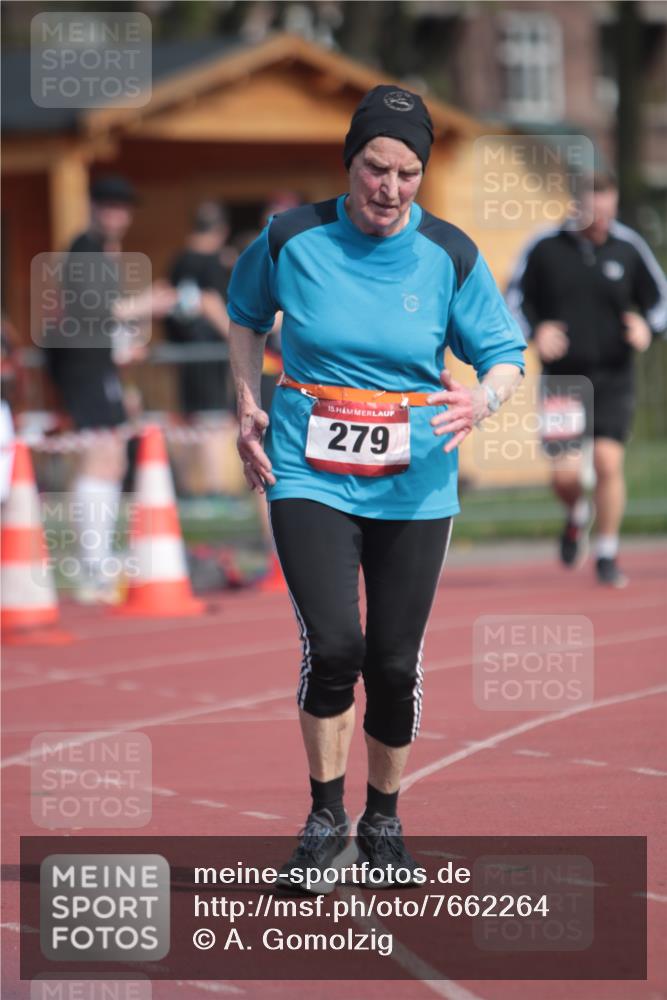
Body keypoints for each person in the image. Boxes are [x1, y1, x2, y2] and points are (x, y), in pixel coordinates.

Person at [227, 85, 525, 891]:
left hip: (414, 482)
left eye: (407, 172)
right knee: (334, 647)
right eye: (374, 168)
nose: (388, 188)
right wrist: (245, 399)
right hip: (307, 471)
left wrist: (484, 396)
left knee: (392, 662)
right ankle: (325, 821)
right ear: (347, 164)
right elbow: (245, 313)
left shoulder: (451, 254)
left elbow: (503, 352)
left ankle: (383, 819)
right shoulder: (291, 237)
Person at [507, 173, 667, 587]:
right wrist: (536, 331)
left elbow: (660, 302)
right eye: (594, 213)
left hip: (614, 375)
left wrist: (647, 327)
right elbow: (512, 300)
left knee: (608, 463)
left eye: (609, 213)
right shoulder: (543, 247)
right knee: (565, 476)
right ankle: (577, 514)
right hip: (564, 378)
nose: (602, 222)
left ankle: (608, 552)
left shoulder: (629, 247)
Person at [44, 174, 175, 602]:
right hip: (81, 366)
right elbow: (94, 311)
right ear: (95, 208)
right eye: (110, 206)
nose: (118, 215)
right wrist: (147, 304)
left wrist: (123, 349)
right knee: (100, 458)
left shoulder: (103, 251)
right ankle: (91, 567)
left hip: (100, 363)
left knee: (113, 459)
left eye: (124, 208)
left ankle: (98, 561)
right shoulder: (84, 249)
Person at [165, 201, 236, 496]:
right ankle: (212, 488)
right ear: (221, 231)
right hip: (208, 352)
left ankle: (190, 487)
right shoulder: (214, 263)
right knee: (213, 420)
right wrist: (237, 338)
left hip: (185, 353)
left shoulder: (179, 260)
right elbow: (209, 302)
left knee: (191, 419)